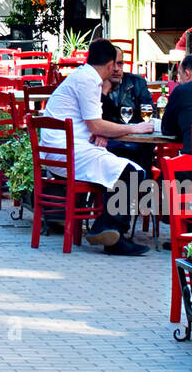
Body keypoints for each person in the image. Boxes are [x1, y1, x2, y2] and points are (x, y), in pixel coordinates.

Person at [40, 38, 154, 256]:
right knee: (132, 172)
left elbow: (91, 122)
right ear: (111, 64)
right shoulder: (89, 81)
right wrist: (136, 129)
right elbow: (96, 123)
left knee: (122, 170)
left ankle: (106, 228)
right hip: (68, 152)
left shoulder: (83, 76)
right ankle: (110, 231)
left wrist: (99, 131)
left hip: (62, 149)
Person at [101, 47, 155, 166]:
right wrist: (104, 91)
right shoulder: (95, 84)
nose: (116, 69)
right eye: (112, 64)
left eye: (120, 64)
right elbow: (96, 119)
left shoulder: (136, 82)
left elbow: (150, 113)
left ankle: (141, 183)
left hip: (135, 140)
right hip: (107, 141)